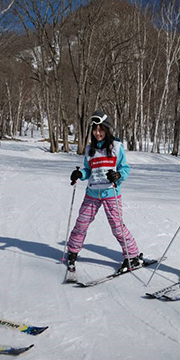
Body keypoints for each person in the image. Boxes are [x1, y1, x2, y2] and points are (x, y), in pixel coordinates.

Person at [66, 109, 140, 275]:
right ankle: (72, 251)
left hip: (110, 193)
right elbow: (87, 170)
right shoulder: (89, 150)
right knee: (81, 224)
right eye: (95, 129)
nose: (97, 132)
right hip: (92, 193)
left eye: (101, 129)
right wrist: (80, 174)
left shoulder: (116, 147)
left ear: (107, 129)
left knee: (117, 227)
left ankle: (132, 256)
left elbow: (125, 168)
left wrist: (118, 175)